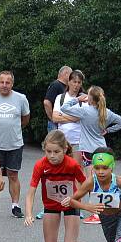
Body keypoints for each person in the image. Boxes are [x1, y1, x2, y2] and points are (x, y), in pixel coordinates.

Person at [24, 130, 90, 242]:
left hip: (70, 205)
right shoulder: (40, 165)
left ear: (65, 149)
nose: (52, 155)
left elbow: (85, 184)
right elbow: (31, 192)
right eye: (48, 151)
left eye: (56, 152)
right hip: (51, 205)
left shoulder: (72, 164)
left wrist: (74, 199)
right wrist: (28, 213)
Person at [59, 86, 121, 224]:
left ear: (90, 98)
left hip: (89, 150)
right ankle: (109, 208)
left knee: (92, 180)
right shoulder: (106, 112)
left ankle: (97, 213)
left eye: (88, 95)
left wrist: (77, 99)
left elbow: (64, 108)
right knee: (104, 179)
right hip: (102, 148)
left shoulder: (85, 110)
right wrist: (107, 130)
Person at [0, 71, 31, 219]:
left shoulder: (21, 98)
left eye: (7, 82)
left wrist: (13, 128)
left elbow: (25, 118)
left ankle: (15, 205)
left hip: (15, 143)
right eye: (2, 82)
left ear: (12, 84)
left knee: (13, 175)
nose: (4, 85)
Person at [48, 69, 86, 219]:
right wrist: (72, 117)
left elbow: (82, 118)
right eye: (74, 81)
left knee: (77, 173)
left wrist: (66, 116)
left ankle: (77, 205)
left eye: (79, 82)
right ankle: (58, 203)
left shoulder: (83, 99)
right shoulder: (60, 97)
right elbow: (55, 117)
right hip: (63, 140)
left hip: (78, 140)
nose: (76, 85)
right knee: (60, 173)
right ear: (68, 82)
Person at [43, 66, 72, 132]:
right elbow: (46, 102)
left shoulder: (65, 87)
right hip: (55, 124)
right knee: (55, 142)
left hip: (62, 122)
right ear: (66, 74)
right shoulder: (56, 85)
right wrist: (52, 118)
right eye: (71, 75)